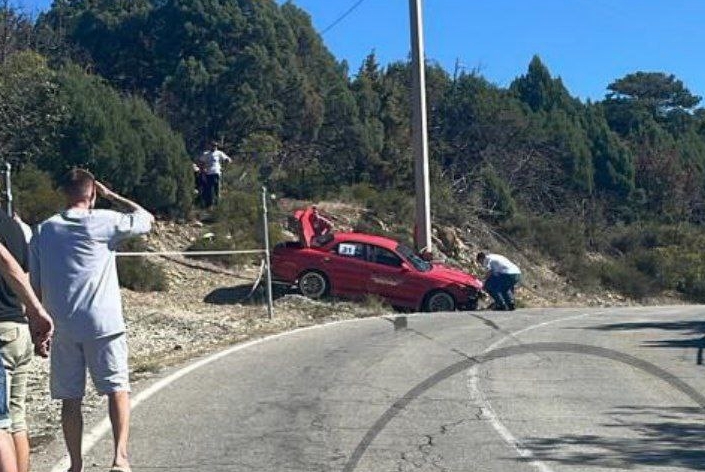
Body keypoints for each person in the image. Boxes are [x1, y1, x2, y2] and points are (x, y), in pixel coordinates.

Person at [29, 169, 154, 472]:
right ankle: (120, 458)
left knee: (70, 398)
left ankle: (75, 464)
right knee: (116, 387)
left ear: (65, 193)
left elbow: (35, 284)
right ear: (92, 194)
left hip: (62, 325)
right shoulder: (106, 221)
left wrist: (38, 328)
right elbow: (146, 217)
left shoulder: (44, 230)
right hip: (103, 323)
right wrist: (112, 196)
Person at [0, 211, 53, 472]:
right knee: (16, 420)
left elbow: (6, 262)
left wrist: (36, 311)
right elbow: (26, 274)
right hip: (19, 328)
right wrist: (33, 313)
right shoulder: (17, 227)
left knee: (0, 425)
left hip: (1, 332)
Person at [197, 141, 231, 207]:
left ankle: (218, 204)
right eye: (212, 145)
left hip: (217, 172)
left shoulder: (219, 153)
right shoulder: (206, 154)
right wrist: (203, 170)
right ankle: (209, 204)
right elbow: (200, 162)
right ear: (210, 146)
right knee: (209, 189)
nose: (214, 147)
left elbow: (228, 159)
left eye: (215, 146)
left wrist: (224, 166)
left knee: (217, 188)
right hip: (209, 173)